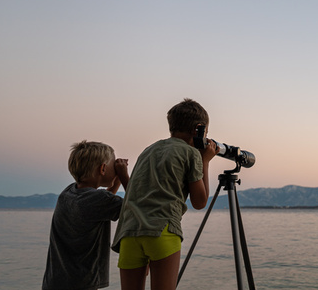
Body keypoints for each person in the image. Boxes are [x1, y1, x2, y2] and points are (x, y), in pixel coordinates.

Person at [112, 98, 218, 290]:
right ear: (198, 130)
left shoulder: (148, 151)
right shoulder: (191, 153)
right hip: (162, 230)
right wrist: (206, 161)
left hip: (129, 232)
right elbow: (200, 201)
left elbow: (133, 193)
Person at [42, 141, 130, 290]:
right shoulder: (99, 200)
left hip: (54, 281)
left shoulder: (68, 192)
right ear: (103, 168)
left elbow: (101, 203)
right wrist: (124, 176)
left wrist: (116, 180)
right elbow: (137, 206)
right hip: (81, 284)